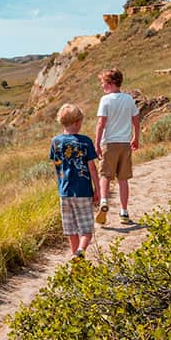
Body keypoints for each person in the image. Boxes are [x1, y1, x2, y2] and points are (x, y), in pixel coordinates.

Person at [49, 103, 101, 259]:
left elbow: (56, 166)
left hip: (64, 192)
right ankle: (80, 251)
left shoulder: (55, 142)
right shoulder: (85, 141)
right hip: (83, 191)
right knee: (86, 230)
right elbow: (92, 168)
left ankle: (75, 258)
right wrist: (97, 189)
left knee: (71, 229)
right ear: (78, 122)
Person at [95, 68, 140, 225]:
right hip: (125, 144)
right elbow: (136, 119)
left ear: (111, 83)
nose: (102, 86)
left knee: (105, 175)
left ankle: (104, 201)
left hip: (109, 143)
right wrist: (136, 138)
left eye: (103, 83)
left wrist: (97, 144)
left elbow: (101, 123)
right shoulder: (128, 99)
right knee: (123, 179)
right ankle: (124, 211)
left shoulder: (105, 100)